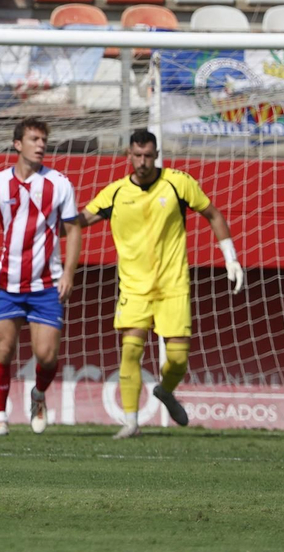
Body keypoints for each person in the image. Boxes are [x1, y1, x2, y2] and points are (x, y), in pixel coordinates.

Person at [76, 129, 242, 440]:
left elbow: (212, 213)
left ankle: (165, 391)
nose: (142, 162)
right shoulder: (114, 193)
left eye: (148, 156)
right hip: (134, 289)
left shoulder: (178, 183)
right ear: (129, 156)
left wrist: (230, 258)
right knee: (130, 352)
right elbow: (78, 222)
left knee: (178, 359)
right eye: (137, 156)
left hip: (173, 286)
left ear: (156, 155)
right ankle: (130, 422)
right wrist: (41, 222)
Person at [0, 117, 80, 437]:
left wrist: (70, 275)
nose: (41, 145)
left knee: (47, 357)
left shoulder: (59, 183)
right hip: (7, 284)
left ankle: (38, 395)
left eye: (44, 140)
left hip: (47, 284)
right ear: (17, 144)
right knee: (2, 351)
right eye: (34, 139)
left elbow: (74, 230)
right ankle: (0, 418)